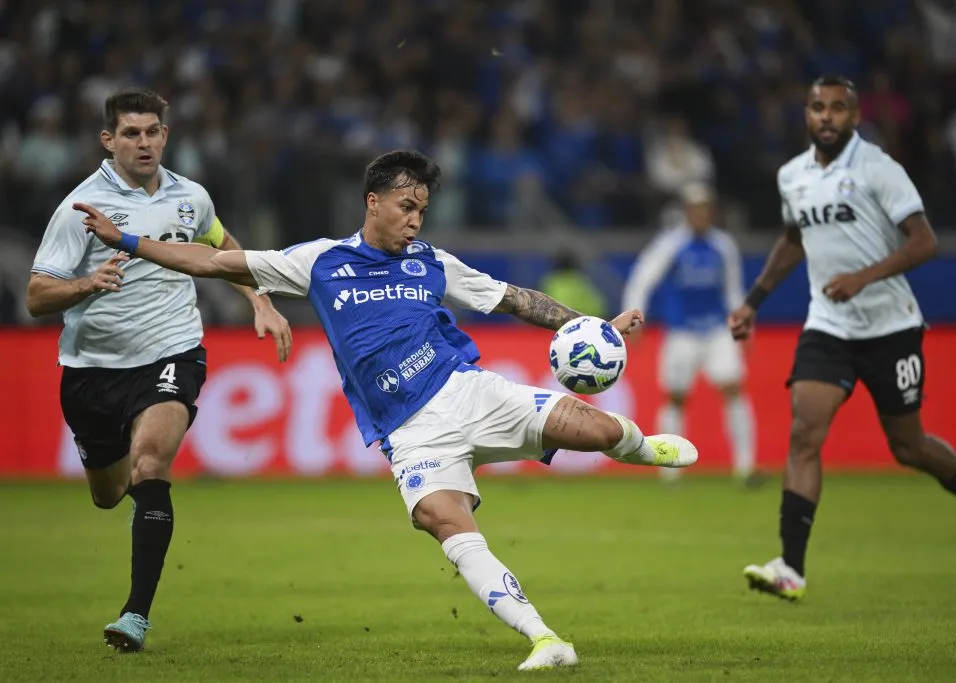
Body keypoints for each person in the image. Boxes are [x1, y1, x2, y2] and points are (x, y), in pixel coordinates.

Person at [76, 149, 699, 671]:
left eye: (423, 210)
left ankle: (642, 448)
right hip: (410, 431)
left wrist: (597, 329)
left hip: (467, 391)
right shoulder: (318, 261)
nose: (416, 221)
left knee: (591, 429)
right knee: (442, 519)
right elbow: (212, 261)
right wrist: (126, 239)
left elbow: (516, 299)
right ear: (373, 201)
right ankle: (545, 640)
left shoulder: (433, 262)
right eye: (407, 207)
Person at [26, 88, 292, 650]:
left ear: (165, 137)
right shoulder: (80, 208)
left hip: (172, 351)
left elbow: (222, 247)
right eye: (130, 133)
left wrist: (259, 300)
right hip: (91, 370)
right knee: (108, 492)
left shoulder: (190, 197)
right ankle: (130, 492)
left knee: (152, 464)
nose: (143, 142)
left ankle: (135, 616)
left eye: (151, 132)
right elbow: (35, 296)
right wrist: (84, 284)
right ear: (109, 140)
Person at [727, 75, 956, 601]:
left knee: (908, 446)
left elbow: (925, 242)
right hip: (828, 326)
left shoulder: (879, 168)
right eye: (816, 107)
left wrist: (863, 277)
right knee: (804, 434)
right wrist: (753, 301)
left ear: (855, 117)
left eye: (837, 108)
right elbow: (794, 241)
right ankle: (791, 566)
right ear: (806, 116)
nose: (826, 116)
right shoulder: (793, 176)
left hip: (890, 327)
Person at [623, 183, 759, 485]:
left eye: (706, 208)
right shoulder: (670, 244)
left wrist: (744, 325)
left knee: (733, 388)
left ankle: (745, 467)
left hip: (716, 332)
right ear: (686, 211)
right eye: (696, 208)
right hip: (681, 332)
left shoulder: (723, 245)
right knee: (675, 397)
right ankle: (669, 468)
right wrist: (634, 316)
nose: (701, 214)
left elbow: (733, 289)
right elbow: (642, 279)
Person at [539, 250, 608, 319]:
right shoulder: (581, 280)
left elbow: (540, 304)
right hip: (584, 320)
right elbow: (598, 306)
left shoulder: (550, 281)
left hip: (557, 321)